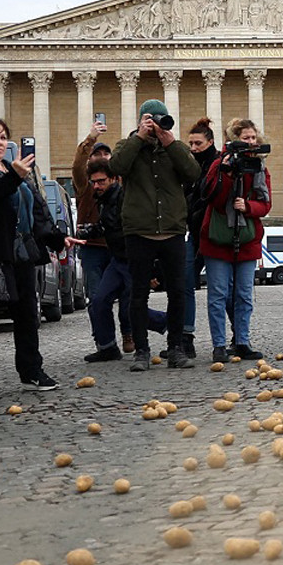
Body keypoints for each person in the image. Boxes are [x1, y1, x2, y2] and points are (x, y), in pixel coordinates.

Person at [109, 99, 201, 371]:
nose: (155, 126)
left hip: (171, 230)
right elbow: (116, 167)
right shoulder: (128, 147)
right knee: (138, 294)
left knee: (178, 293)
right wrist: (139, 137)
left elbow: (193, 174)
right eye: (151, 120)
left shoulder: (176, 148)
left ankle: (176, 348)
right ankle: (141, 351)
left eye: (161, 120)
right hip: (140, 231)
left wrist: (170, 142)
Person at [0, 117, 65, 398]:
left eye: (3, 137)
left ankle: (31, 371)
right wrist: (14, 177)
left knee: (27, 315)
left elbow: (36, 208)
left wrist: (56, 238)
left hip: (21, 252)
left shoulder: (13, 169)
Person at [70, 159, 168, 361]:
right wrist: (89, 231)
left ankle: (171, 324)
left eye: (101, 181)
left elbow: (139, 230)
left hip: (132, 260)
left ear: (114, 179)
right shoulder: (104, 199)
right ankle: (107, 346)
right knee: (99, 301)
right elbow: (109, 227)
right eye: (94, 182)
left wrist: (152, 267)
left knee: (132, 307)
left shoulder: (124, 198)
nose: (96, 186)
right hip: (118, 260)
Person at [199, 119, 272, 362]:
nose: (250, 143)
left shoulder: (260, 169)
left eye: (253, 138)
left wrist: (248, 205)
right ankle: (219, 345)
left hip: (247, 237)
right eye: (245, 138)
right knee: (218, 294)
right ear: (233, 141)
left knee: (243, 294)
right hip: (218, 238)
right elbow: (211, 196)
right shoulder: (220, 164)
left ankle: (242, 341)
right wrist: (227, 172)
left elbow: (265, 204)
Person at [73, 123, 130, 352]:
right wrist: (90, 140)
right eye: (98, 154)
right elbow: (78, 164)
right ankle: (104, 343)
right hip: (93, 248)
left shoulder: (120, 187)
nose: (102, 157)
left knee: (128, 296)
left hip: (117, 248)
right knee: (97, 298)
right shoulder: (87, 186)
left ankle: (128, 334)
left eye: (106, 154)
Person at [178, 117, 219, 359]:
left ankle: (229, 340)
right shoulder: (188, 167)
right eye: (190, 144)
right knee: (185, 282)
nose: (193, 148)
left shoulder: (219, 163)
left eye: (198, 144)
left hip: (214, 233)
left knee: (220, 290)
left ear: (210, 142)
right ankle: (186, 337)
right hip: (194, 233)